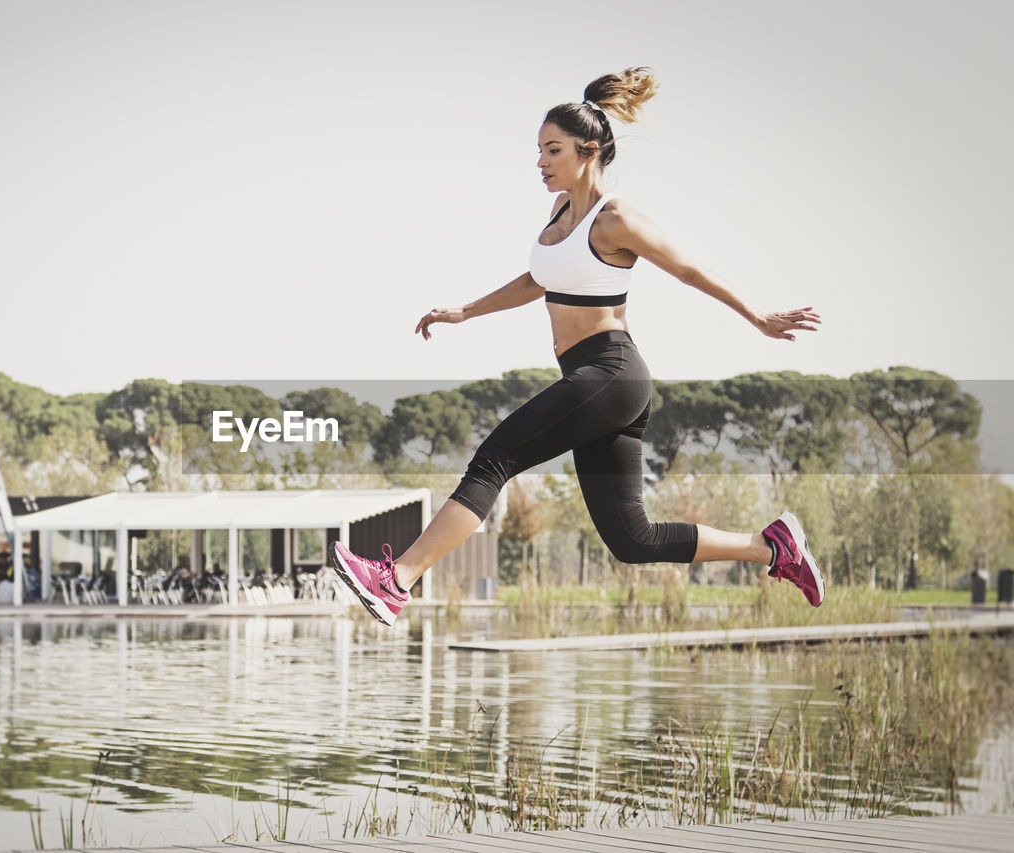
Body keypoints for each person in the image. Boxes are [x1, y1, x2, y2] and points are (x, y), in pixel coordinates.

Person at [329, 67, 824, 627]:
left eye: (552, 150)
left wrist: (757, 316)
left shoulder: (616, 219)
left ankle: (396, 581)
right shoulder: (561, 214)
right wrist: (465, 311)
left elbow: (688, 269)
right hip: (595, 381)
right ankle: (773, 547)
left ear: (588, 152)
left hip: (611, 372)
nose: (540, 162)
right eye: (538, 150)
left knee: (494, 459)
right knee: (631, 538)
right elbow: (539, 280)